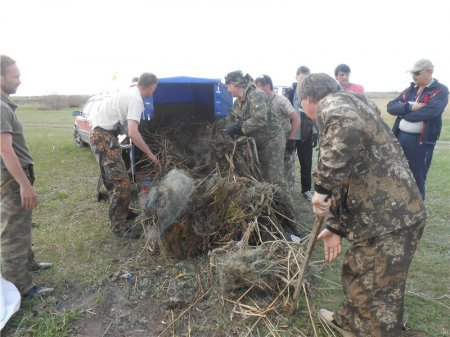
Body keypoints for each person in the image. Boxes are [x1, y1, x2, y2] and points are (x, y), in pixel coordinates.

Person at [300, 73, 427, 336]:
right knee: (377, 281)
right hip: (398, 214)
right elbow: (349, 176)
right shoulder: (355, 103)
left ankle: (365, 330)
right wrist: (335, 227)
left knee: (368, 279)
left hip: (387, 219)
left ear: (308, 99)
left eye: (301, 103)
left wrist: (321, 190)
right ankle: (355, 323)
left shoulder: (333, 106)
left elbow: (346, 131)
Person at [223, 70, 303, 237]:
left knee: (276, 180)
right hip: (257, 144)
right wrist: (225, 129)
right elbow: (231, 120)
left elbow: (260, 119)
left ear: (236, 84)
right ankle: (272, 218)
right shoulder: (239, 102)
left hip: (271, 141)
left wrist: (239, 127)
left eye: (228, 85)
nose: (227, 89)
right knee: (261, 179)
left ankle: (291, 223)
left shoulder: (256, 95)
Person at [1, 55, 54, 297]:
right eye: (16, 76)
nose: (20, 81)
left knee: (21, 224)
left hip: (15, 177)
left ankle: (28, 263)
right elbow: (5, 149)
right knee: (13, 231)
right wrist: (24, 184)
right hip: (13, 179)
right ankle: (20, 287)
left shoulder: (5, 105)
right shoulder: (1, 107)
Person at [90, 72, 160, 239]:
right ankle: (119, 228)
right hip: (104, 137)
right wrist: (150, 154)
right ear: (151, 86)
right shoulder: (136, 99)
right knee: (121, 185)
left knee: (113, 179)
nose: (154, 91)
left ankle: (124, 211)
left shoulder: (129, 91)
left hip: (100, 135)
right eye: (154, 88)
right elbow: (133, 133)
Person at [387, 59, 448, 199]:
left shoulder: (440, 90)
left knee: (417, 177)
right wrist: (409, 107)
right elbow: (391, 106)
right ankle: (402, 206)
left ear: (429, 72)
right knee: (398, 172)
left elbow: (430, 112)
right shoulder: (410, 90)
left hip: (421, 142)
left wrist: (403, 113)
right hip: (400, 137)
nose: (413, 76)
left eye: (417, 73)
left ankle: (418, 212)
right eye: (412, 73)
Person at [255, 74, 300, 195]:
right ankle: (273, 194)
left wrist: (291, 139)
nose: (256, 91)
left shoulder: (281, 100)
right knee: (271, 170)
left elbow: (296, 119)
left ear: (267, 86)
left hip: (284, 140)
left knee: (286, 169)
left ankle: (288, 196)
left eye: (259, 88)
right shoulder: (260, 103)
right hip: (269, 143)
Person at [290, 66, 317, 201]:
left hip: (305, 135)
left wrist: (315, 132)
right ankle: (287, 188)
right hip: (290, 135)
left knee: (306, 164)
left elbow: (316, 115)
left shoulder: (312, 94)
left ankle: (306, 190)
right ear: (296, 77)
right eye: (302, 79)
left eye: (307, 80)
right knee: (287, 163)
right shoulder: (288, 92)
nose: (304, 82)